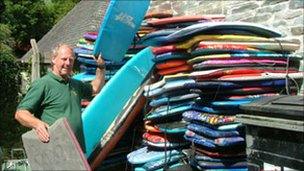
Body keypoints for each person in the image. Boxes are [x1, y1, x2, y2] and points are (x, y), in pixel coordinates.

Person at [15, 44, 105, 151]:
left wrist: (101, 67)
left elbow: (95, 88)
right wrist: (37, 124)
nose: (67, 63)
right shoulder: (43, 84)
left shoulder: (75, 84)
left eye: (71, 60)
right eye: (64, 59)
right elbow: (20, 114)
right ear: (54, 59)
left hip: (77, 149)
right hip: (55, 152)